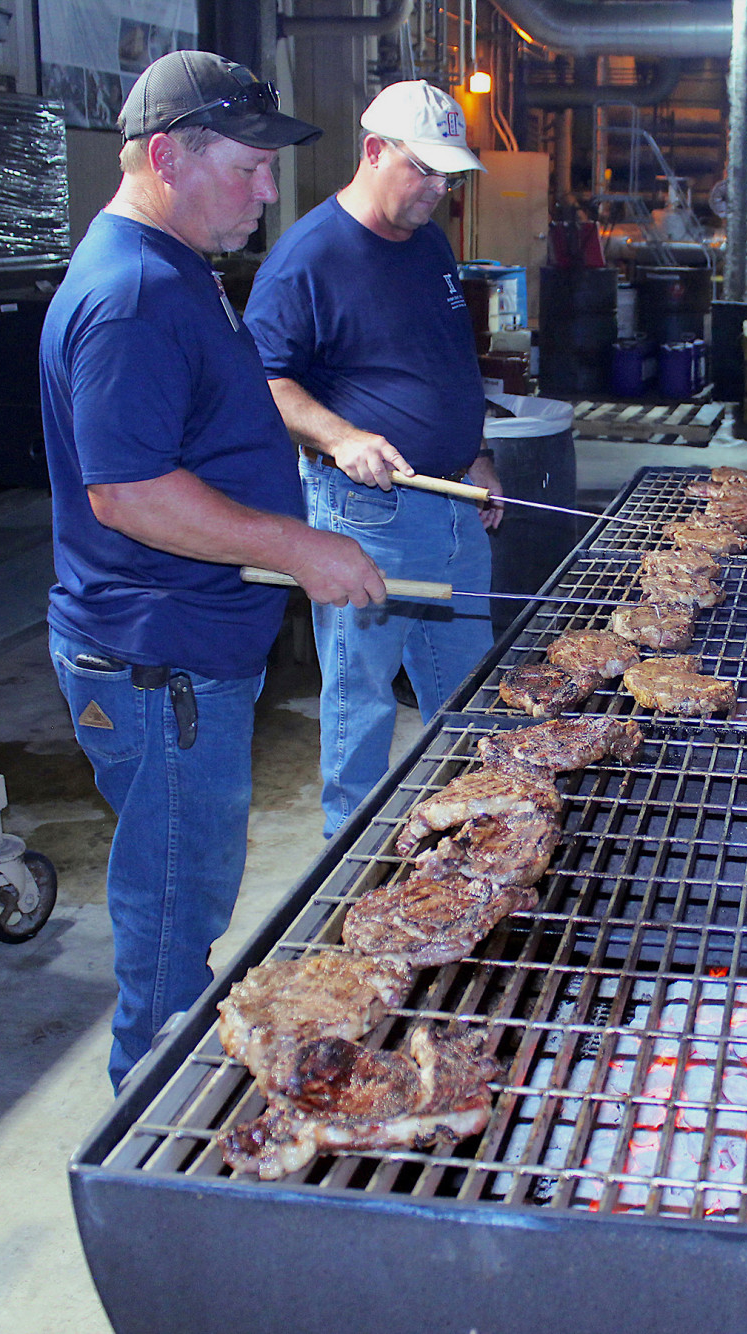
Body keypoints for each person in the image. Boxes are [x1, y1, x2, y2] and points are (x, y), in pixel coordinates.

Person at [41, 50, 387, 1088]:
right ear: (163, 156)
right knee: (171, 909)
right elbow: (128, 493)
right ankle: (144, 1141)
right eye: (245, 168)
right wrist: (299, 545)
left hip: (185, 652)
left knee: (185, 887)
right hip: (161, 664)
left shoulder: (177, 268)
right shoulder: (135, 294)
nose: (267, 192)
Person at [244, 80, 504, 837]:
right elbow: (262, 381)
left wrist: (477, 453)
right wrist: (339, 436)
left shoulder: (427, 240)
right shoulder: (308, 258)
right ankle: (345, 853)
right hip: (372, 513)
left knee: (470, 690)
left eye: (449, 176)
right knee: (361, 697)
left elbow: (452, 358)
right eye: (423, 170)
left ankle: (476, 840)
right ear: (373, 151)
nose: (437, 191)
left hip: (456, 503)